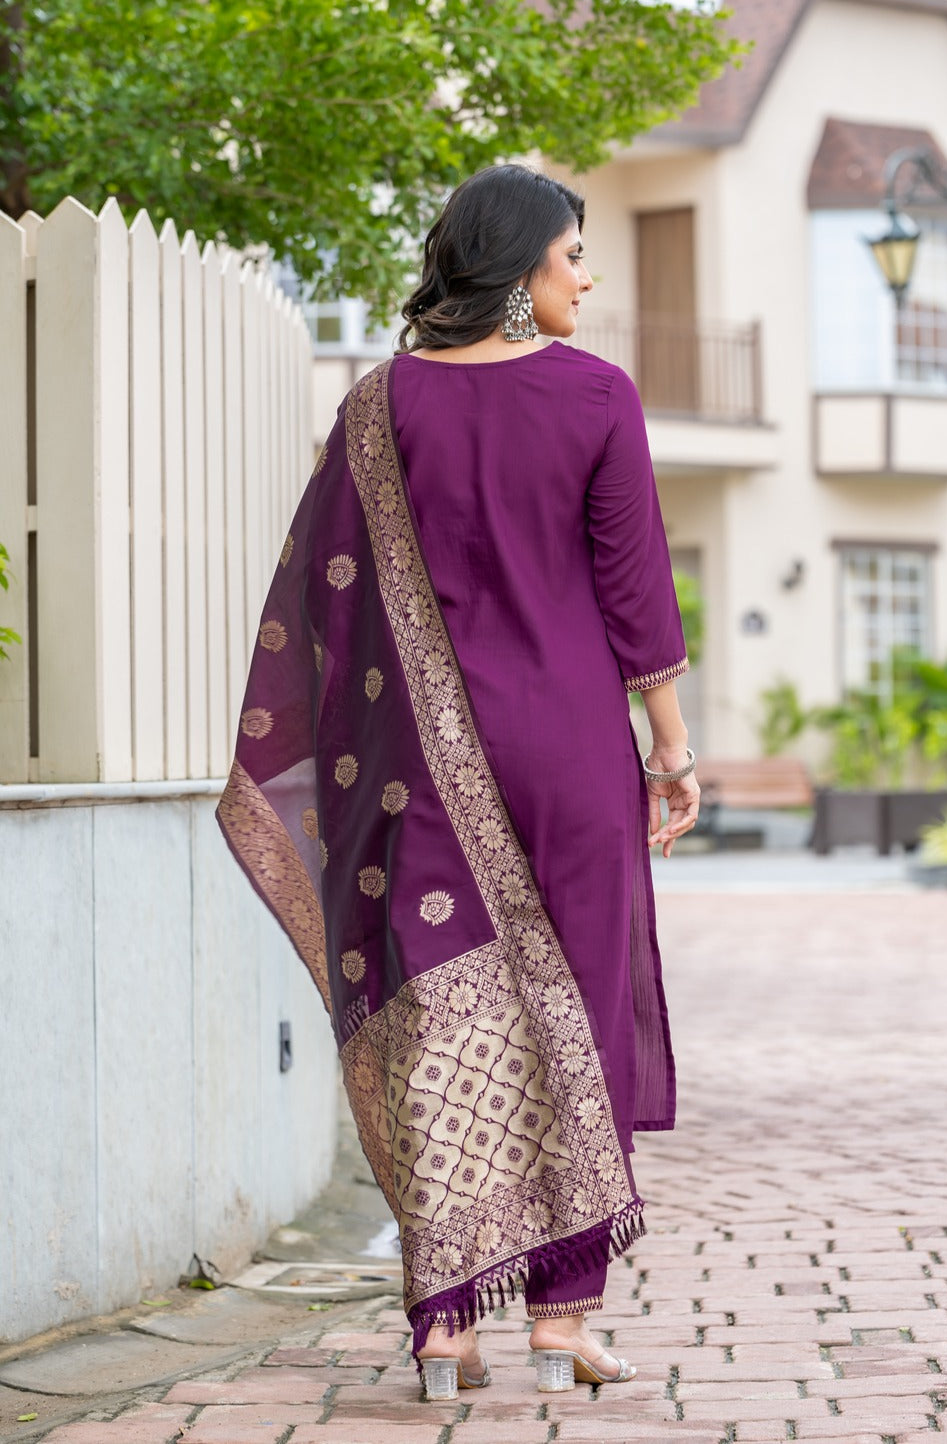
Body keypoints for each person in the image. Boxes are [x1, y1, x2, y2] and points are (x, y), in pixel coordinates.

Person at [217, 162, 700, 1401]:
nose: (587, 276)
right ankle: (563, 1320)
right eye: (574, 254)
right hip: (571, 752)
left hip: (420, 768)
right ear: (523, 267)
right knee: (577, 1013)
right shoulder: (596, 395)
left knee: (435, 1020)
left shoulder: (377, 407)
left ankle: (442, 1328)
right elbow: (633, 590)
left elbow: (323, 603)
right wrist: (671, 751)